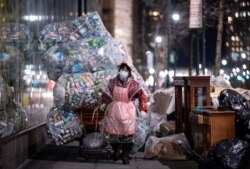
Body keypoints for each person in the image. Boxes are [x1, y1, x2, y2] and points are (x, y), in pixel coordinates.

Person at [101, 62, 147, 164]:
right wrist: (104, 103)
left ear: (129, 72)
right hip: (114, 110)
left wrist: (143, 109)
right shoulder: (112, 82)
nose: (124, 72)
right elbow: (106, 94)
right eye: (122, 70)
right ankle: (116, 151)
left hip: (128, 111)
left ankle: (125, 154)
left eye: (126, 70)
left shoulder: (134, 84)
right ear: (119, 70)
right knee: (113, 134)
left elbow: (142, 96)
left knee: (128, 135)